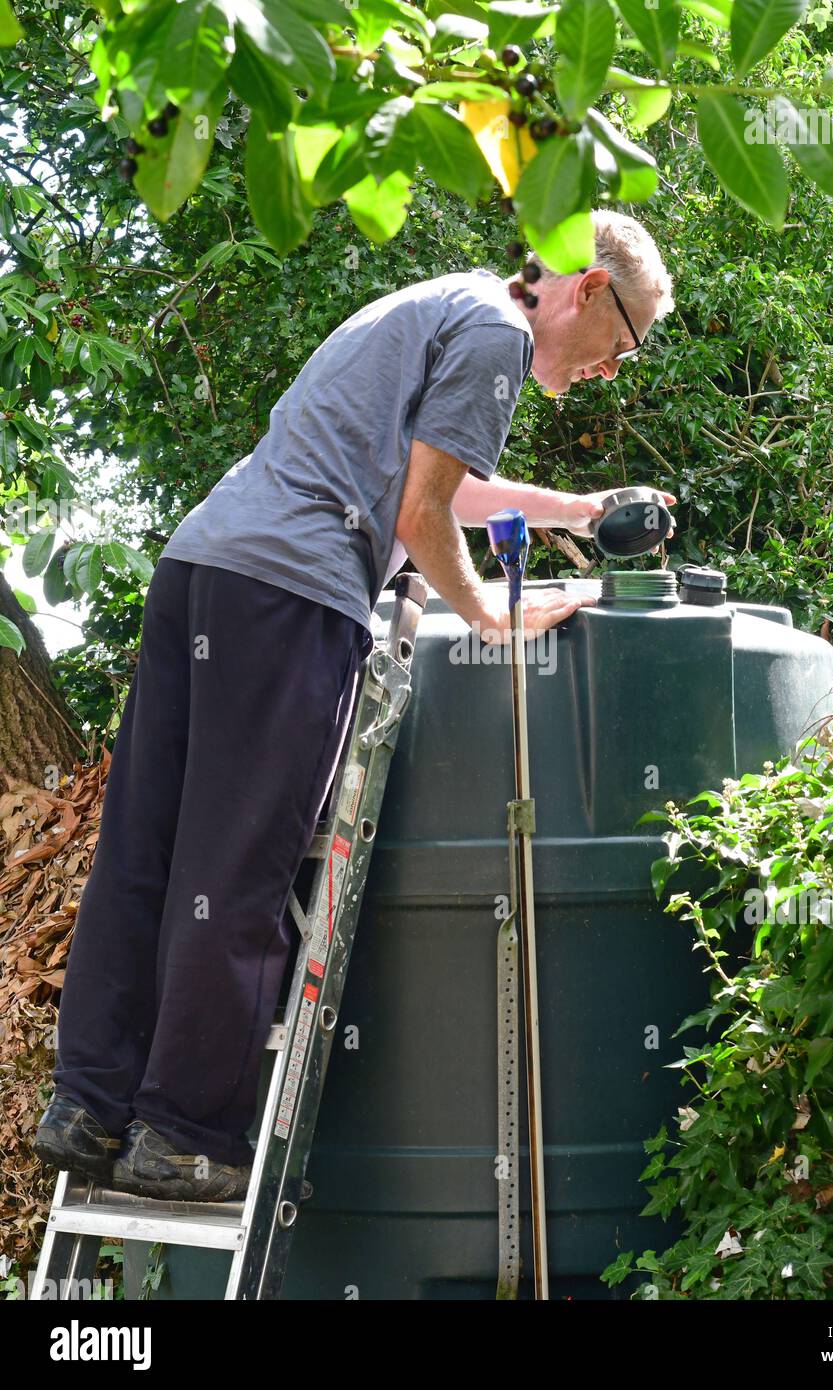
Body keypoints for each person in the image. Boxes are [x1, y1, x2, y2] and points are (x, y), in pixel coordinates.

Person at [34, 208, 675, 1202]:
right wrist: (493, 613)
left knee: (147, 850)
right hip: (290, 594)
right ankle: (181, 1136)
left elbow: (438, 484)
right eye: (623, 345)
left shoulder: (443, 303)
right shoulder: (501, 336)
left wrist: (577, 512)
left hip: (204, 567)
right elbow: (419, 516)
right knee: (237, 869)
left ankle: (86, 1105)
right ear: (588, 289)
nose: (611, 367)